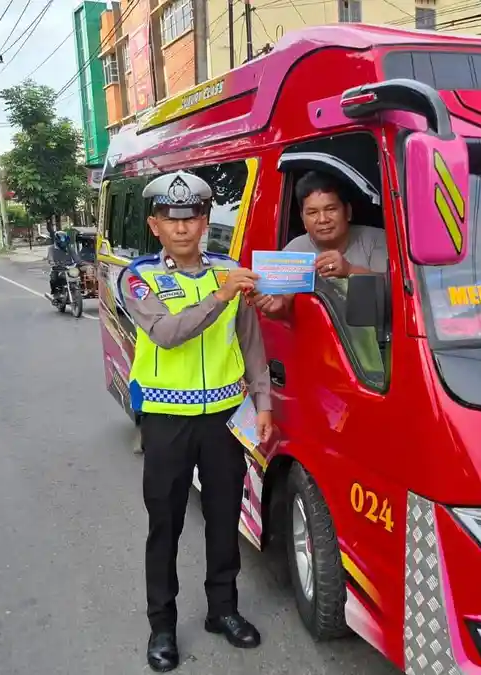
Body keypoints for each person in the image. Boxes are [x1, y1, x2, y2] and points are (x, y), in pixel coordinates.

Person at [119, 170, 272, 672]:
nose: (182, 228)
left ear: (205, 221)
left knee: (226, 518)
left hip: (225, 419)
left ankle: (222, 611)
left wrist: (264, 404)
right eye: (170, 218)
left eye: (191, 218)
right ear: (154, 225)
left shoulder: (228, 271)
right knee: (165, 524)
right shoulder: (139, 277)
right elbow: (166, 333)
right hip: (166, 421)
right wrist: (221, 296)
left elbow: (250, 342)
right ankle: (161, 624)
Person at [252, 170, 387, 317]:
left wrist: (349, 270)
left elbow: (398, 293)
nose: (322, 219)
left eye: (331, 209)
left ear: (347, 212)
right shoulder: (293, 252)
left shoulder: (377, 239)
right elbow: (281, 310)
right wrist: (275, 309)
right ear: (303, 219)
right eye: (312, 212)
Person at [46, 230, 78, 301]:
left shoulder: (69, 248)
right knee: (53, 279)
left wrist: (80, 263)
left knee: (77, 277)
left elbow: (76, 258)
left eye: (65, 243)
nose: (64, 245)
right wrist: (52, 263)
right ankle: (55, 294)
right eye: (62, 243)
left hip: (68, 268)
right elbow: (50, 258)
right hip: (57, 268)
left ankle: (75, 292)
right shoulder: (51, 248)